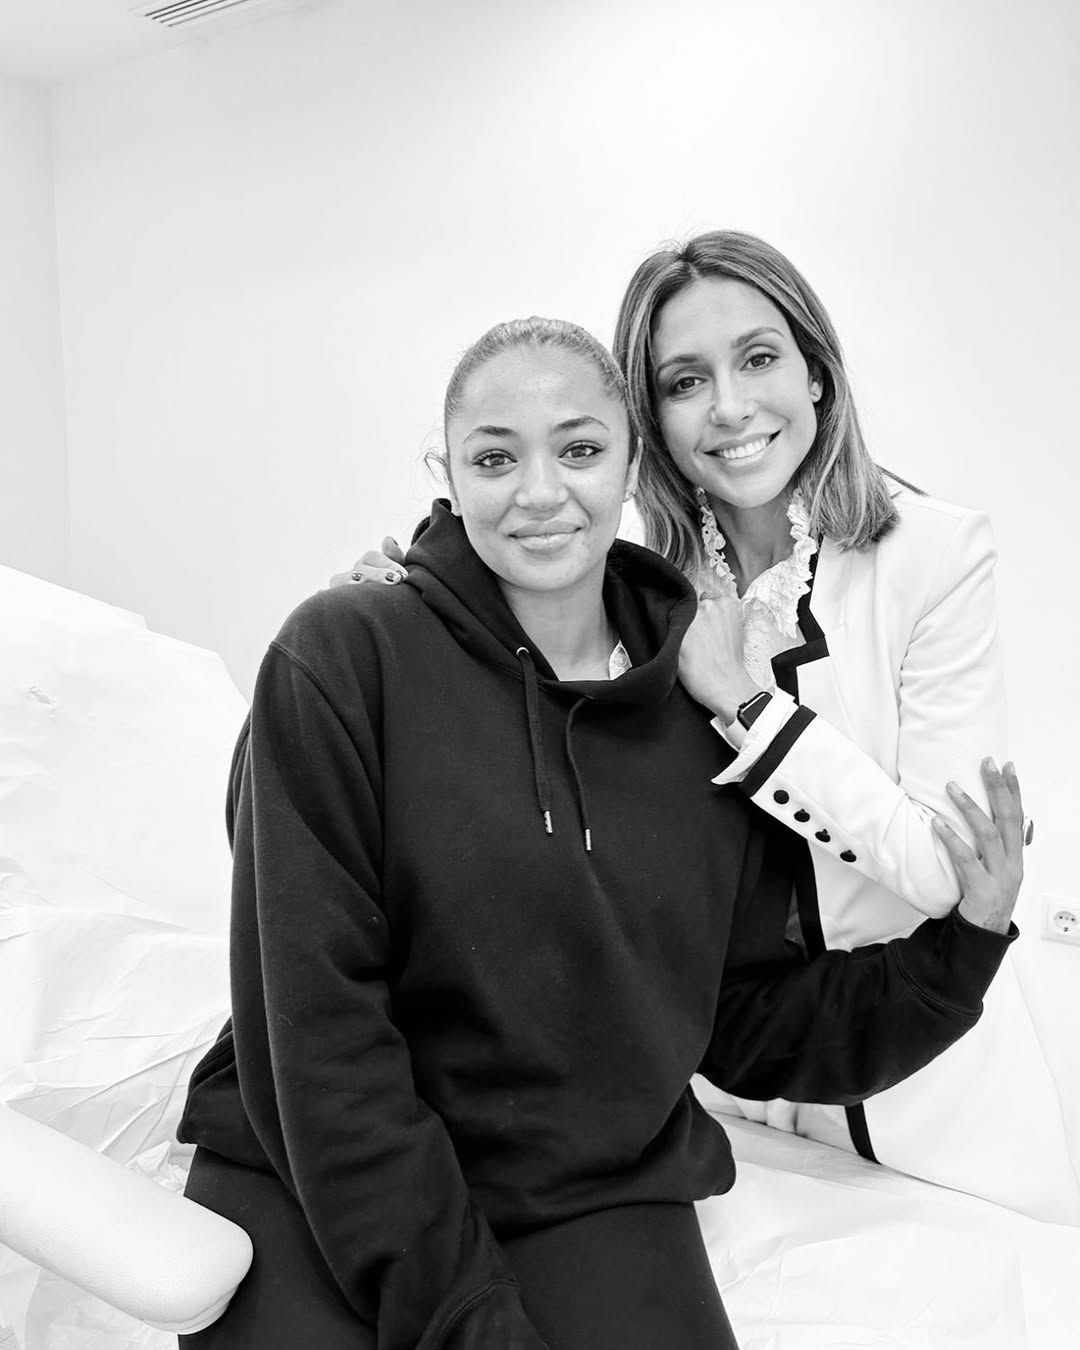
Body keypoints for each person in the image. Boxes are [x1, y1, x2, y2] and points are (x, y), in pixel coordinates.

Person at [179, 316, 1022, 1350]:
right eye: (496, 457)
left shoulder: (699, 714)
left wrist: (961, 950)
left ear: (632, 465)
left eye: (579, 449)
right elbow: (318, 1032)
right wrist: (466, 1317)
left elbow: (743, 1016)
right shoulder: (346, 652)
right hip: (322, 1168)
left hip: (586, 1180)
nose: (539, 493)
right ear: (448, 475)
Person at [343, 233, 1073, 1219]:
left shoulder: (935, 558)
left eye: (759, 358)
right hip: (738, 1088)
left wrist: (749, 708)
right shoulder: (651, 594)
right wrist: (406, 592)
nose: (729, 406)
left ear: (817, 372)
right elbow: (517, 594)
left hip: (933, 1081)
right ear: (654, 423)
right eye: (687, 381)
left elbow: (946, 872)